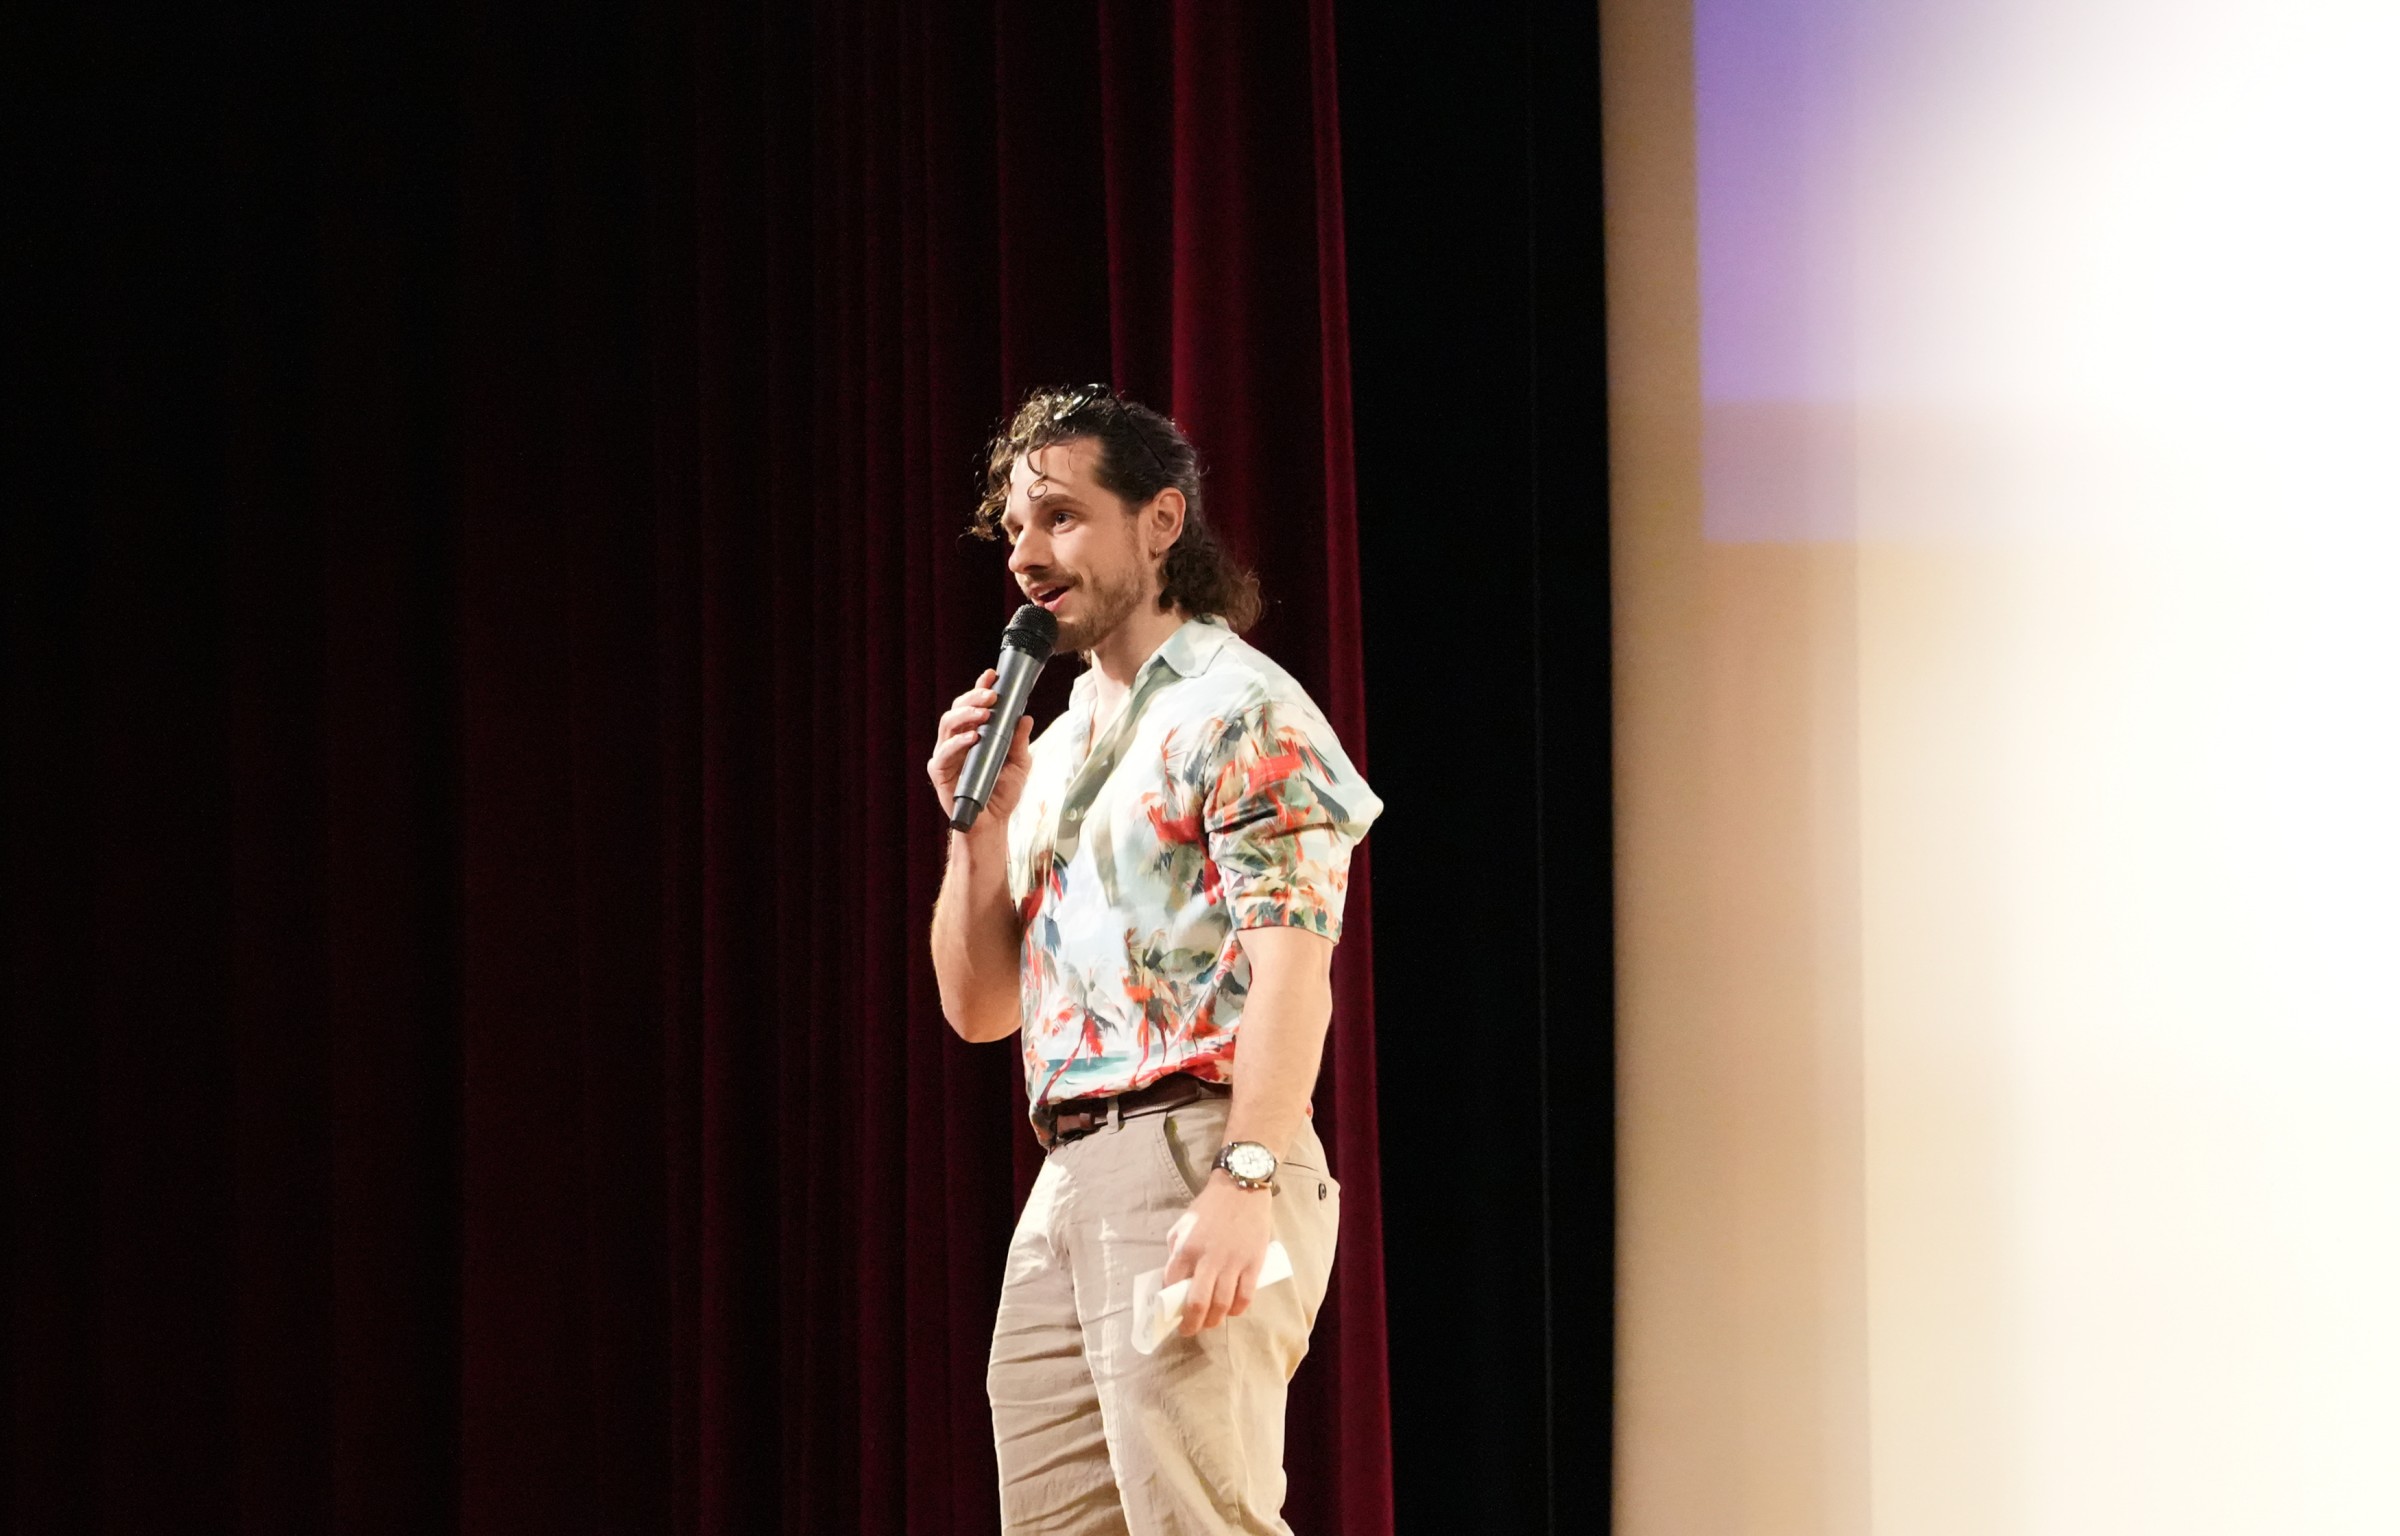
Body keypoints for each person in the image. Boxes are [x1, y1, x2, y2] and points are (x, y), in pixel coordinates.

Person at [925, 384, 1380, 1534]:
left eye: (1061, 517)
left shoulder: (1241, 709)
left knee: (1197, 1519)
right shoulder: (1057, 744)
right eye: (1014, 527)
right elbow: (980, 1009)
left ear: (1161, 520)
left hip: (1198, 1146)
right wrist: (977, 832)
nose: (1025, 554)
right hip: (1069, 1170)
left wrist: (1245, 1178)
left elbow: (1293, 970)